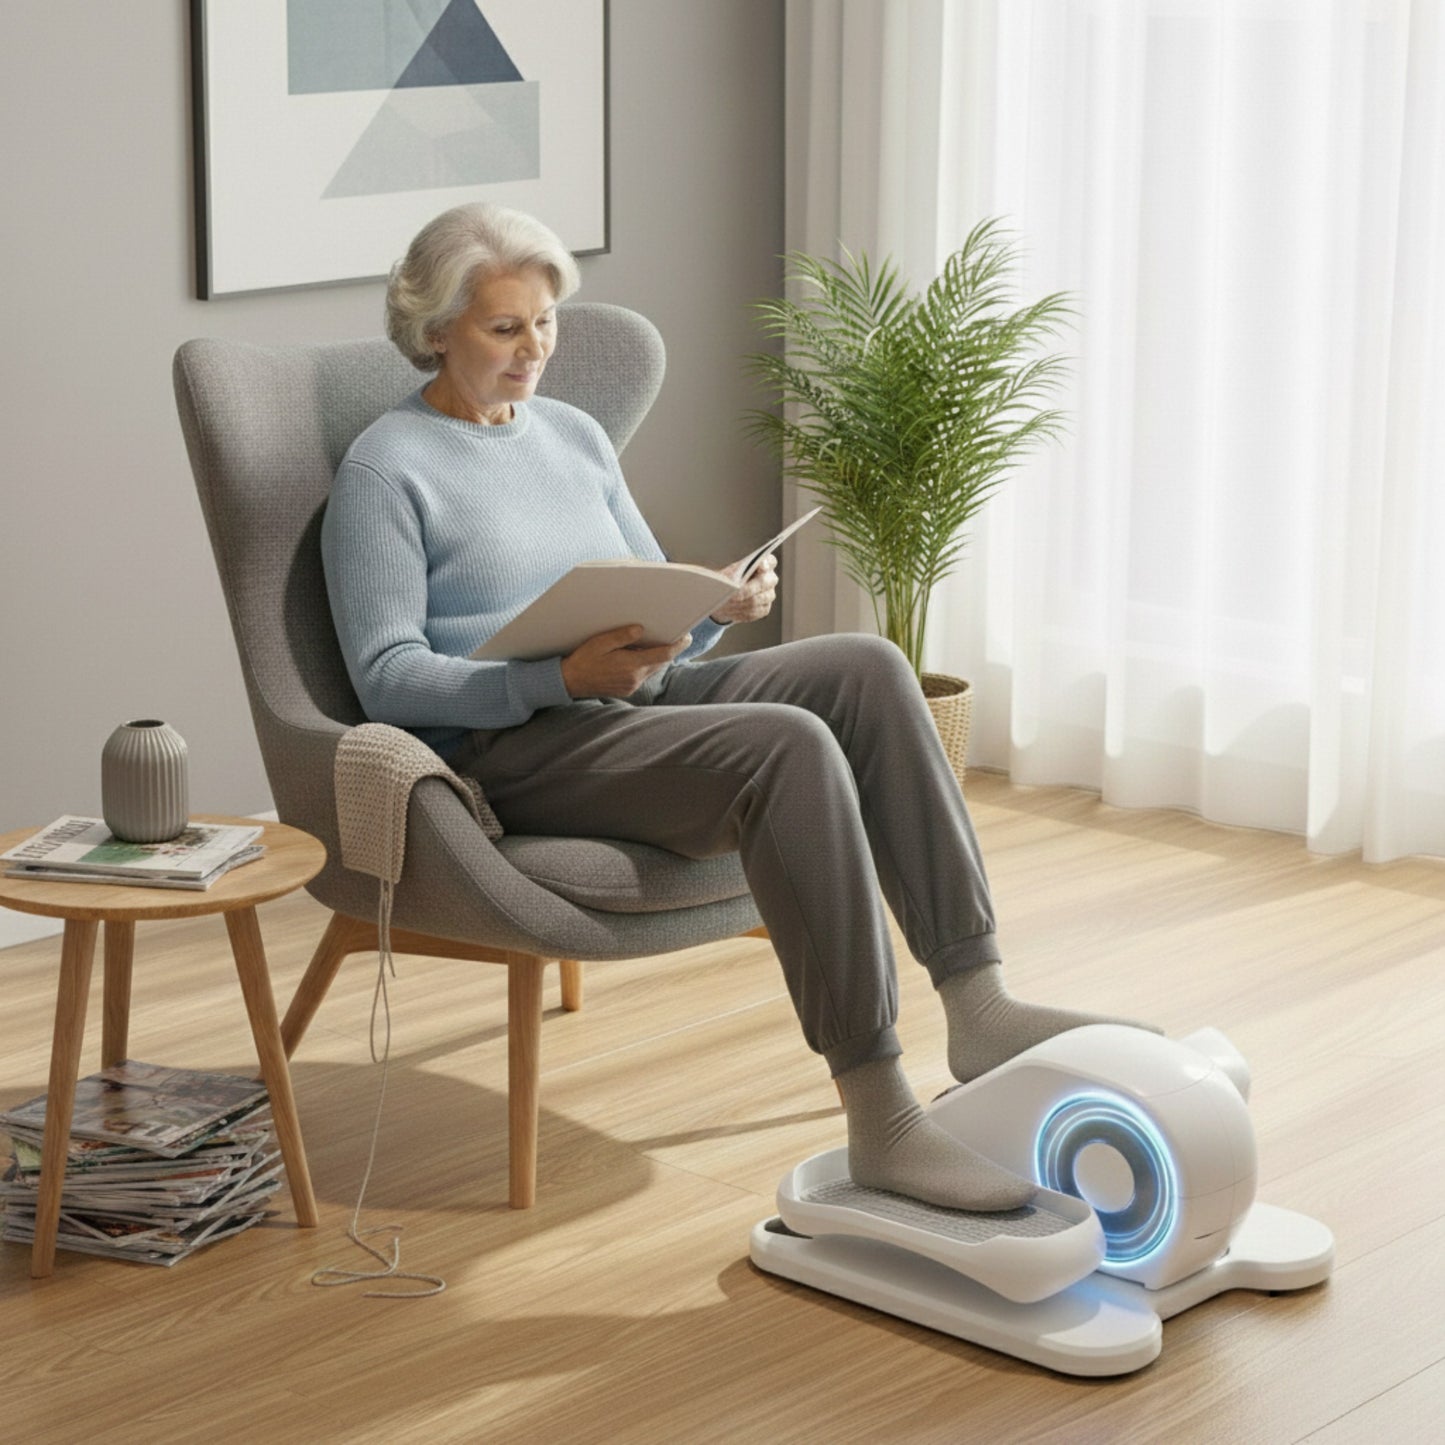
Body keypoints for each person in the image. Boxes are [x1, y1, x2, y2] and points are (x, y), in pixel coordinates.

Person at [321, 202, 1156, 1214]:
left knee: (864, 666)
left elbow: (643, 591)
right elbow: (383, 676)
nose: (533, 349)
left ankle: (976, 1001)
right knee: (788, 745)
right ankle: (881, 1114)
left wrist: (711, 609)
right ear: (435, 327)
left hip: (622, 700)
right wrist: (557, 681)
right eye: (505, 328)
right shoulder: (385, 467)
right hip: (508, 749)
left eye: (545, 323)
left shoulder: (573, 435)